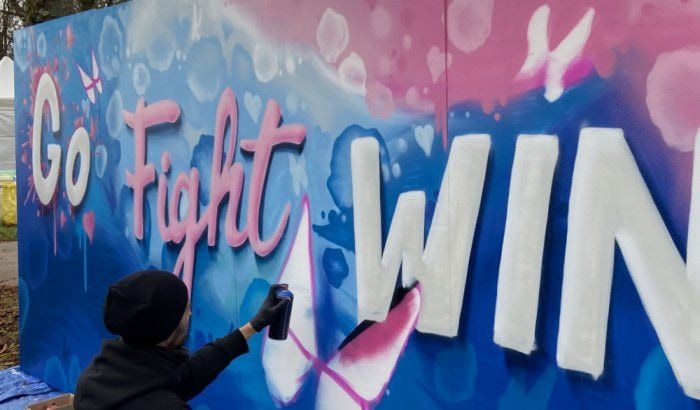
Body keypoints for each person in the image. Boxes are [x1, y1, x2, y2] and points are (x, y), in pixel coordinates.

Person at [74, 270, 289, 409]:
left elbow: (190, 373)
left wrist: (253, 326)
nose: (191, 314)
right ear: (167, 330)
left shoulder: (93, 379)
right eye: (186, 310)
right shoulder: (164, 405)